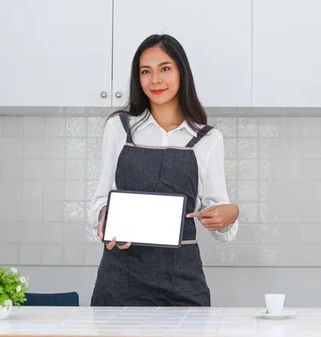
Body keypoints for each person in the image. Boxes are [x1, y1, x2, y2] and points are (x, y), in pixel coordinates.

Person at [87, 34, 240, 307]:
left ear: (182, 72)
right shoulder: (119, 129)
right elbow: (100, 199)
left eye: (165, 68)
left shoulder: (208, 139)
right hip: (120, 280)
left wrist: (230, 214)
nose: (155, 79)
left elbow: (220, 219)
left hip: (182, 281)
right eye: (146, 71)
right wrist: (104, 216)